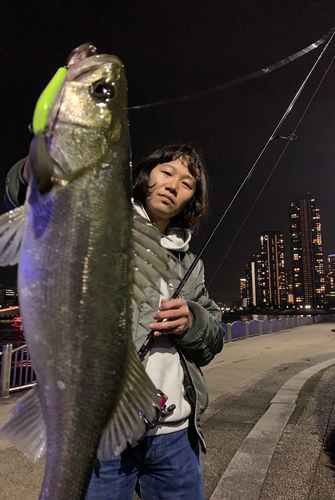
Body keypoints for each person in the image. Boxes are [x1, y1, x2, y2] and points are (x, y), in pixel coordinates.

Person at [4, 144, 225, 500]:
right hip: (105, 434)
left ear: (192, 200)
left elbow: (213, 339)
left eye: (187, 184)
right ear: (144, 175)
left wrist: (193, 321)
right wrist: (36, 169)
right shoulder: (100, 227)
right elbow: (32, 205)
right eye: (166, 173)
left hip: (175, 436)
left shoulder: (191, 263)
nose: (173, 186)